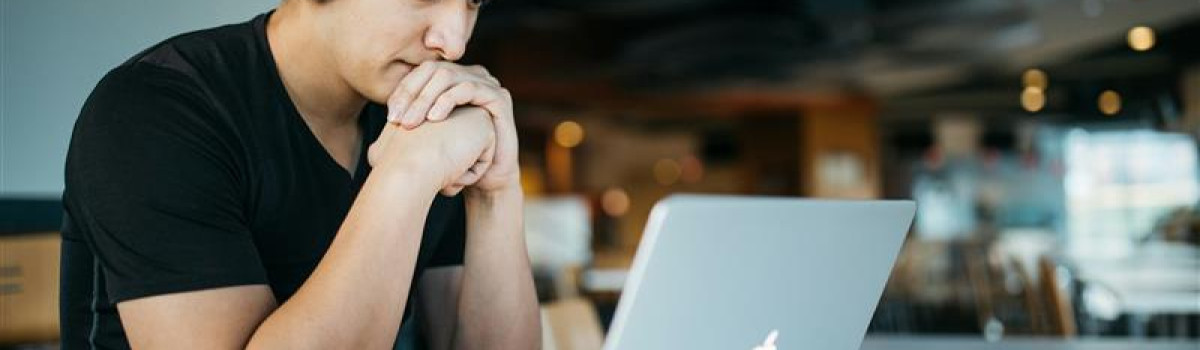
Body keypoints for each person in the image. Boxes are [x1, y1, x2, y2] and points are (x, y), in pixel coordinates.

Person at [58, 0, 540, 348]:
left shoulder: (421, 114)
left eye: (473, 2)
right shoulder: (155, 110)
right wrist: (407, 173)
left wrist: (495, 191)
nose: (453, 42)